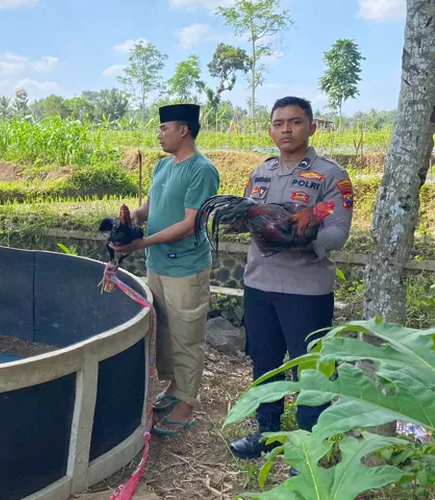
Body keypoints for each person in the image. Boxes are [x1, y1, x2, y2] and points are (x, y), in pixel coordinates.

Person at [228, 96, 354, 460]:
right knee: (265, 363)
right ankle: (266, 434)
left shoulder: (331, 175)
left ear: (312, 127)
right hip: (259, 284)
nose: (286, 129)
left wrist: (300, 241)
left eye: (295, 122)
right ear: (270, 129)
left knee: (309, 370)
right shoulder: (261, 172)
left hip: (306, 290)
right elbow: (252, 218)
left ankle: (309, 443)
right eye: (279, 122)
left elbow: (338, 231)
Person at [110, 103, 220, 436]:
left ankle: (186, 404)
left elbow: (190, 224)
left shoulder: (202, 170)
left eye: (164, 128)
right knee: (166, 332)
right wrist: (133, 219)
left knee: (188, 335)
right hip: (157, 264)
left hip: (185, 267)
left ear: (183, 130)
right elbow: (151, 205)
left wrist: (141, 243)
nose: (159, 134)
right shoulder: (162, 166)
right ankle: (174, 386)